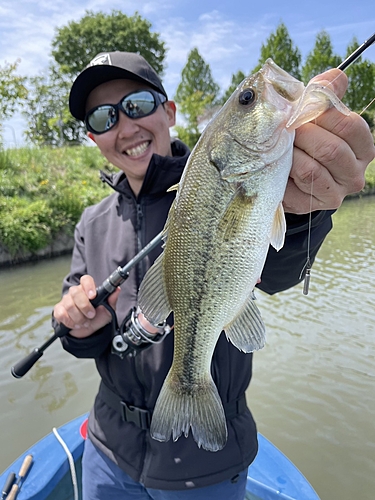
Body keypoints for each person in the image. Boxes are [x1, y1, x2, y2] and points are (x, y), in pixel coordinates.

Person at [53, 51, 375, 500]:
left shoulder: (225, 176)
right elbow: (83, 338)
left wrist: (306, 211)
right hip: (108, 450)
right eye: (105, 116)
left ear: (169, 113)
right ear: (93, 136)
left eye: (138, 106)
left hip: (206, 468)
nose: (125, 127)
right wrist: (77, 327)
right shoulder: (91, 222)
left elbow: (275, 271)